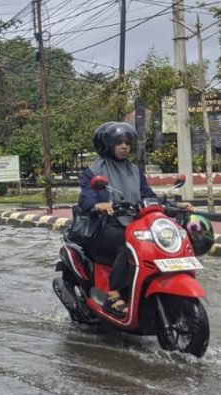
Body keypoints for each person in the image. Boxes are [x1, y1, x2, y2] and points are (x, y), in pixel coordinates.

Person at [78, 122, 192, 317]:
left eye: (127, 143)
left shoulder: (135, 170)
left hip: (135, 223)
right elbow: (86, 196)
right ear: (108, 145)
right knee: (128, 245)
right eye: (119, 143)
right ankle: (114, 292)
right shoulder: (94, 171)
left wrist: (173, 206)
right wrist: (98, 206)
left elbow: (148, 195)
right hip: (106, 225)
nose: (124, 147)